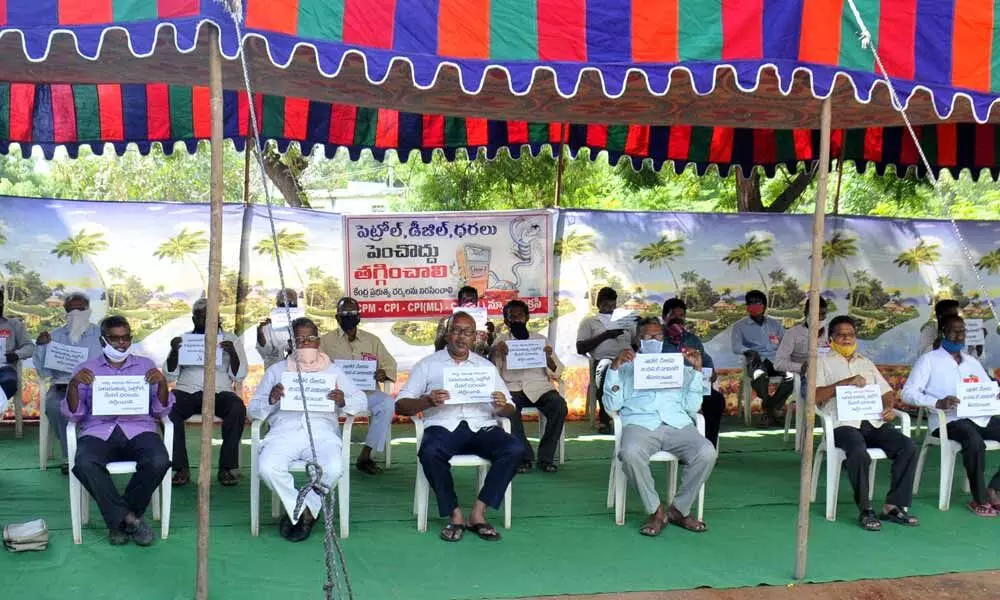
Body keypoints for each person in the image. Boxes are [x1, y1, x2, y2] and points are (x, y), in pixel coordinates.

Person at [396, 311, 523, 542]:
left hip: (481, 426)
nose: (461, 337)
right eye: (455, 330)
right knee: (430, 452)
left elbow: (510, 407)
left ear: (475, 337)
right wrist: (427, 401)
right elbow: (401, 405)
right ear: (447, 335)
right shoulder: (428, 365)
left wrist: (502, 406)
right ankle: (454, 514)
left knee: (515, 448)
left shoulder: (485, 367)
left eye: (467, 332)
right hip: (443, 427)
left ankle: (478, 512)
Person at [250, 317, 366, 542]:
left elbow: (361, 401)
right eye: (299, 339)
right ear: (291, 343)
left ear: (318, 341)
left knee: (332, 467)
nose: (305, 343)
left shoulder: (332, 370)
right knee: (267, 467)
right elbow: (253, 410)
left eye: (310, 338)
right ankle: (306, 511)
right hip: (284, 433)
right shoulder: (276, 371)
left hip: (322, 434)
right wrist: (271, 399)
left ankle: (304, 509)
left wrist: (344, 401)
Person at [62, 316, 172, 546]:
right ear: (103, 340)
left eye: (126, 338)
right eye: (115, 339)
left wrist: (162, 384)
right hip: (98, 431)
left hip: (139, 429)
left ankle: (118, 522)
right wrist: (73, 385)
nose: (122, 344)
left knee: (159, 460)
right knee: (84, 463)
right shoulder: (86, 369)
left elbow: (161, 409)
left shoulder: (146, 366)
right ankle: (130, 519)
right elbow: (74, 415)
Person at [603, 317, 716, 536]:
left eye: (658, 336)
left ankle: (679, 510)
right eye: (647, 336)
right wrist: (615, 369)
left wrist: (696, 372)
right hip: (640, 423)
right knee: (630, 453)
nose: (653, 340)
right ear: (638, 339)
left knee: (707, 452)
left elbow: (693, 405)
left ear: (664, 338)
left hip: (677, 423)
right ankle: (656, 511)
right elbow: (611, 405)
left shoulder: (677, 365)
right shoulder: (625, 366)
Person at [815, 316, 919, 531]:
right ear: (831, 337)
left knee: (907, 446)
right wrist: (843, 384)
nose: (846, 339)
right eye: (841, 335)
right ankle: (865, 508)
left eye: (850, 335)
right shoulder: (821, 361)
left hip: (872, 421)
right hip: (842, 424)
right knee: (858, 451)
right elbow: (814, 396)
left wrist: (888, 407)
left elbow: (886, 391)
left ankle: (893, 505)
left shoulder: (865, 362)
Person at [902, 314, 1000, 517]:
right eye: (954, 331)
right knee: (974, 442)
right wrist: (937, 402)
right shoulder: (928, 360)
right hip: (948, 421)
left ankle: (994, 488)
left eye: (962, 331)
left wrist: (994, 394)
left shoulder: (971, 362)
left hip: (978, 417)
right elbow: (908, 393)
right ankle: (979, 499)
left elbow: (984, 388)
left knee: (979, 434)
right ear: (943, 333)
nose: (959, 336)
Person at [165, 298, 247, 487]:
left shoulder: (230, 339)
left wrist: (232, 353)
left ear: (218, 319)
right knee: (168, 407)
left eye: (212, 317)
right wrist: (174, 351)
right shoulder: (184, 339)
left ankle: (226, 467)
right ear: (194, 319)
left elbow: (240, 375)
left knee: (237, 408)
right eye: (203, 317)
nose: (208, 320)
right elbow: (170, 374)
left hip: (220, 391)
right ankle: (180, 467)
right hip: (187, 391)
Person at [319, 297, 396, 475]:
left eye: (352, 313)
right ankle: (333, 456)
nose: (349, 317)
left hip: (366, 393)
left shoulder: (372, 341)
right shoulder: (325, 341)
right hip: (336, 396)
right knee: (322, 409)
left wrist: (383, 373)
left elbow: (389, 364)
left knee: (386, 404)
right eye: (344, 314)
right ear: (337, 318)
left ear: (359, 316)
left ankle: (366, 455)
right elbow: (316, 367)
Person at [490, 299, 567, 473]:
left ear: (527, 318)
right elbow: (493, 374)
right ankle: (524, 457)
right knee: (510, 410)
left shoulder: (540, 340)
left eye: (520, 316)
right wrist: (496, 354)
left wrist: (548, 359)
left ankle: (546, 458)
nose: (516, 320)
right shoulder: (500, 342)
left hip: (539, 387)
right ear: (506, 321)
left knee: (559, 405)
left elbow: (557, 372)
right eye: (512, 317)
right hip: (512, 388)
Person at [33, 292, 103, 473]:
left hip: (96, 386)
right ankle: (70, 455)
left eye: (80, 309)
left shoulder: (101, 335)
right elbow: (44, 372)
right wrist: (41, 347)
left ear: (88, 311)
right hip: (62, 387)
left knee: (103, 406)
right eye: (70, 310)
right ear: (65, 312)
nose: (75, 314)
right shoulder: (54, 336)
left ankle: (97, 452)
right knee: (55, 407)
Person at [662, 298, 725, 447]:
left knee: (716, 400)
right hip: (666, 390)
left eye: (681, 316)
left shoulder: (692, 339)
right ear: (664, 317)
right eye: (673, 315)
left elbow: (706, 360)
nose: (678, 319)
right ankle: (681, 447)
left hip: (692, 387)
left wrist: (711, 373)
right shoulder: (656, 339)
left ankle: (708, 447)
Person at [577, 287, 636, 434]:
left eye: (612, 306)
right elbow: (580, 347)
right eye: (605, 306)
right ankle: (605, 419)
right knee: (606, 371)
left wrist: (639, 326)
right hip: (605, 360)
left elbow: (636, 343)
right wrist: (606, 335)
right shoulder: (590, 322)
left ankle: (632, 417)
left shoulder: (625, 320)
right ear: (598, 305)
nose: (609, 309)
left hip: (628, 358)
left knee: (640, 373)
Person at [730, 290, 793, 427]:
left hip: (775, 360)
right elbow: (736, 347)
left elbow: (786, 342)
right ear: (747, 307)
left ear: (764, 305)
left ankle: (769, 409)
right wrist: (749, 351)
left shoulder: (774, 324)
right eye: (750, 303)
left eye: (757, 303)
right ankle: (772, 411)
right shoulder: (740, 326)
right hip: (756, 362)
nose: (753, 306)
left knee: (793, 377)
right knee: (760, 376)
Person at [774, 297, 830, 385]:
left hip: (828, 376)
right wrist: (802, 367)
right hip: (804, 378)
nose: (819, 318)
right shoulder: (792, 334)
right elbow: (778, 363)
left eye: (822, 314)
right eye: (815, 314)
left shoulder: (831, 333)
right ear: (805, 314)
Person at [433, 286, 495, 356]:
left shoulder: (485, 321)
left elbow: (488, 349)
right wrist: (448, 331)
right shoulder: (447, 321)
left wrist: (490, 334)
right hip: (453, 361)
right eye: (465, 299)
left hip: (478, 361)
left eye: (472, 300)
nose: (469, 302)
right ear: (459, 302)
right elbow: (438, 347)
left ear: (477, 301)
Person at [918, 299, 986, 360]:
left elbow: (974, 357)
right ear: (940, 316)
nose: (955, 318)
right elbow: (921, 357)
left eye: (957, 315)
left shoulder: (965, 329)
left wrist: (979, 345)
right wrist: (937, 344)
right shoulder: (928, 331)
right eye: (951, 315)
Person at [0, 288, 35, 404]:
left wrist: (16, 355)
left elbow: (30, 347)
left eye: (0, 301)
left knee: (9, 382)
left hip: (5, 368)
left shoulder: (14, 324)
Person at [256, 288, 300, 369]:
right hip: (275, 369)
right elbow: (265, 352)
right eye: (284, 303)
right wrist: (260, 331)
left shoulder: (305, 325)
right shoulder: (267, 325)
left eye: (291, 303)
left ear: (296, 304)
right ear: (277, 304)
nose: (288, 306)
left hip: (298, 369)